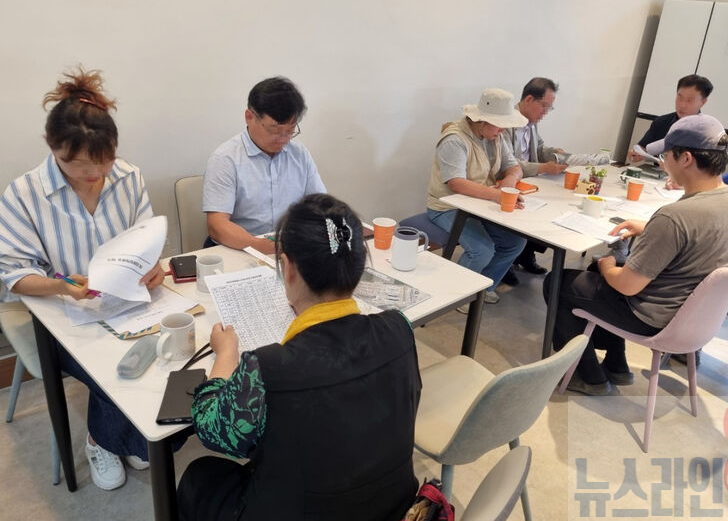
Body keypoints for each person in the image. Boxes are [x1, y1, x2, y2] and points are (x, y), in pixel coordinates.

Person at [177, 194, 421, 521]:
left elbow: (212, 431)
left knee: (200, 477)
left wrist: (225, 355)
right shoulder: (400, 328)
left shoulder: (266, 368)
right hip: (393, 506)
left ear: (289, 268)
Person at [0, 67, 165, 489]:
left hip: (128, 303)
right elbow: (14, 275)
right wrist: (61, 286)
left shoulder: (128, 176)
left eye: (103, 161)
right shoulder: (24, 195)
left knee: (165, 354)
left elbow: (146, 238)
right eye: (77, 165)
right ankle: (101, 439)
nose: (94, 174)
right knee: (114, 372)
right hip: (63, 315)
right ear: (53, 149)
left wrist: (152, 267)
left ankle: (126, 436)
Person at [546, 115, 728, 395]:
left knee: (559, 281)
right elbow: (703, 235)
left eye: (666, 155)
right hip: (697, 319)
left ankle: (588, 376)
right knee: (597, 275)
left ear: (686, 158)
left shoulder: (675, 216)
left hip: (654, 317)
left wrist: (607, 265)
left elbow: (627, 285)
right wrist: (649, 228)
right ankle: (616, 365)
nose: (663, 163)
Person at [426, 88, 528, 307]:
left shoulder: (496, 137)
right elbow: (456, 183)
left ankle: (481, 288)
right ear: (482, 120)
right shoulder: (454, 139)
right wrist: (497, 195)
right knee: (482, 250)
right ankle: (457, 295)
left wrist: (509, 183)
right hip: (446, 207)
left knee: (515, 242)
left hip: (478, 205)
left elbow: (514, 167)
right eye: (499, 125)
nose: (502, 130)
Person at [203, 76, 326, 254]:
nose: (283, 139)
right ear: (249, 117)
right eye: (274, 130)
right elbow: (217, 225)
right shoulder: (225, 159)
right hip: (239, 248)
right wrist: (258, 245)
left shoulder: (299, 154)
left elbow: (321, 207)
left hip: (287, 246)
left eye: (290, 130)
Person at [502, 77, 568, 283]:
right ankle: (505, 263)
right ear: (529, 99)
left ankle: (525, 254)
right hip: (507, 181)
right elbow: (507, 163)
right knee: (528, 210)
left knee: (553, 207)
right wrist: (543, 167)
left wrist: (554, 153)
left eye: (550, 108)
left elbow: (538, 149)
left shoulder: (531, 122)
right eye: (544, 106)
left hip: (530, 181)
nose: (545, 112)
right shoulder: (506, 123)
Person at [628, 74, 713, 162]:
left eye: (689, 100)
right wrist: (637, 153)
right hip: (657, 170)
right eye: (680, 98)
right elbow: (644, 148)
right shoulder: (661, 122)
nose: (682, 105)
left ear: (703, 102)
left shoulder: (707, 133)